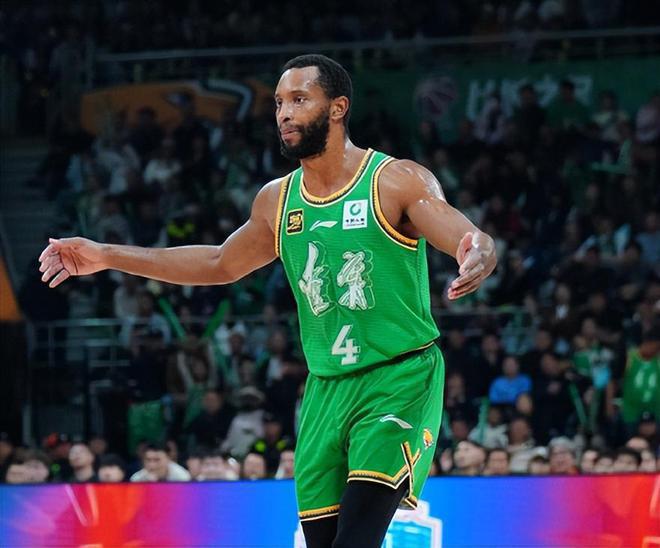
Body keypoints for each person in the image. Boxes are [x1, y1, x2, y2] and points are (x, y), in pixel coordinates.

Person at [38, 54, 497, 548]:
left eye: (299, 100)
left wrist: (477, 250)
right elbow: (219, 262)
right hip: (325, 389)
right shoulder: (278, 200)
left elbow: (463, 233)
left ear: (338, 108)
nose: (284, 113)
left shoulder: (395, 180)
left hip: (398, 378)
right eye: (279, 102)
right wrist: (106, 255)